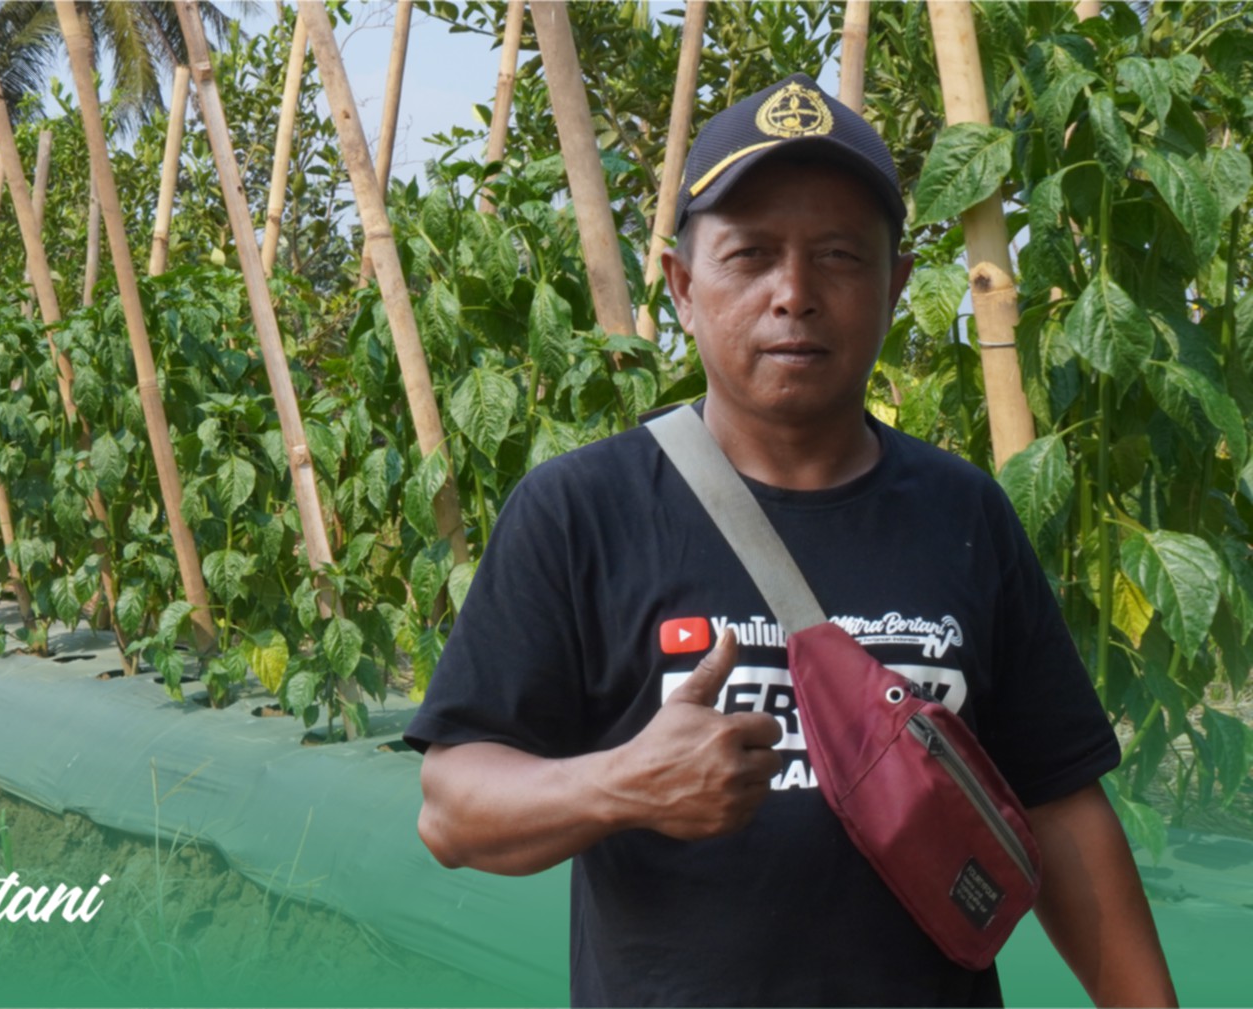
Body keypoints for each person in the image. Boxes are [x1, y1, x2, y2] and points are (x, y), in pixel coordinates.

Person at [404, 73, 1177, 1007]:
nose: (795, 294)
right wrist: (623, 784)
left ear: (894, 287)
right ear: (685, 289)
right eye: (751, 255)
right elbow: (452, 808)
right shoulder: (579, 510)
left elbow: (1060, 807)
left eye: (841, 256)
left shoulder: (965, 514)